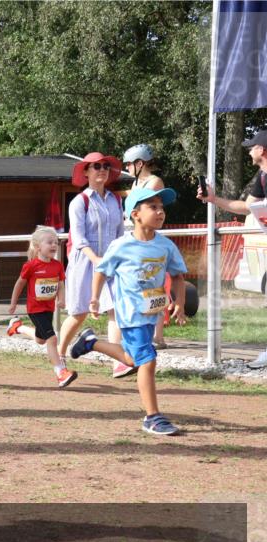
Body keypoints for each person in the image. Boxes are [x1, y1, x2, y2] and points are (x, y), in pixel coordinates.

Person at [70, 187, 187, 435]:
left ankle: (91, 342)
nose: (160, 212)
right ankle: (153, 417)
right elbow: (101, 270)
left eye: (162, 207)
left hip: (151, 314)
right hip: (130, 314)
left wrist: (180, 303)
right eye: (153, 207)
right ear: (135, 214)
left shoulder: (165, 246)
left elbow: (177, 276)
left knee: (133, 360)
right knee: (148, 360)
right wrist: (93, 298)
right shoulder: (121, 245)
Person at [197, 128, 267, 371]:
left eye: (252, 146)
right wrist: (213, 199)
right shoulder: (262, 176)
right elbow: (247, 207)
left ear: (263, 150)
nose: (249, 150)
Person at [57, 152, 131, 378]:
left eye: (106, 166)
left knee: (116, 310)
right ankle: (59, 357)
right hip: (85, 262)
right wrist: (96, 259)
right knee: (79, 313)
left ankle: (119, 362)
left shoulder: (116, 199)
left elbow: (120, 234)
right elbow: (78, 239)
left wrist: (119, 258)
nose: (102, 169)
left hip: (110, 262)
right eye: (96, 166)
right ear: (86, 172)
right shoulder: (80, 201)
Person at [6, 226, 77, 387]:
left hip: (49, 308)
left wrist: (61, 299)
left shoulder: (57, 265)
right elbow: (19, 284)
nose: (54, 245)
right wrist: (13, 302)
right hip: (35, 309)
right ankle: (60, 373)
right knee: (52, 338)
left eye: (56, 242)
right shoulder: (31, 266)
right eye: (50, 242)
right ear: (38, 247)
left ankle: (17, 327)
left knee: (41, 339)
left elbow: (60, 285)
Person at [123, 143, 168, 348]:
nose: (127, 168)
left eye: (129, 165)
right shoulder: (136, 183)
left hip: (149, 238)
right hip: (135, 237)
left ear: (140, 163)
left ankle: (158, 335)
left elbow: (138, 203)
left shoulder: (154, 182)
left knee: (154, 285)